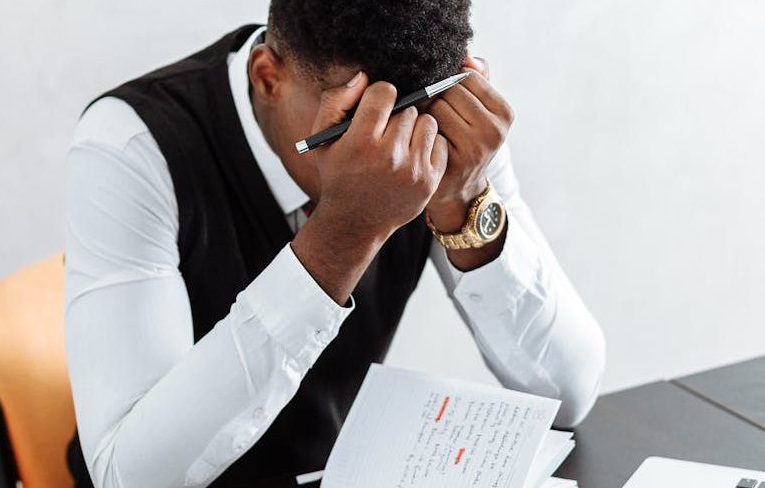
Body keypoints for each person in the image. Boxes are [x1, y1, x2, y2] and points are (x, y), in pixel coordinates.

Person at [64, 1, 606, 487]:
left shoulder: (441, 117)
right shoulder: (130, 145)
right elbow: (126, 476)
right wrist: (345, 230)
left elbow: (569, 392)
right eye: (351, 124)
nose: (395, 156)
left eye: (420, 117)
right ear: (267, 78)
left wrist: (463, 204)